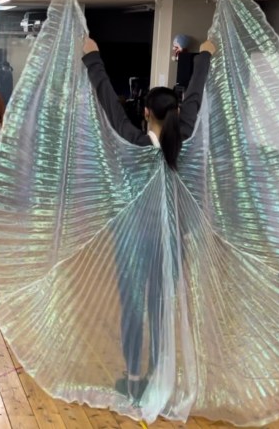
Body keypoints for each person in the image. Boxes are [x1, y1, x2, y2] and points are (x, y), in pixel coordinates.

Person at [82, 35, 213, 400]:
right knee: (159, 306)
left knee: (133, 307)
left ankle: (134, 377)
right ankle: (157, 374)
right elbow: (196, 96)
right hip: (172, 241)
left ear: (145, 113)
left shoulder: (135, 145)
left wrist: (93, 59)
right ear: (176, 112)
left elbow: (109, 104)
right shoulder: (184, 139)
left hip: (134, 240)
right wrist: (204, 56)